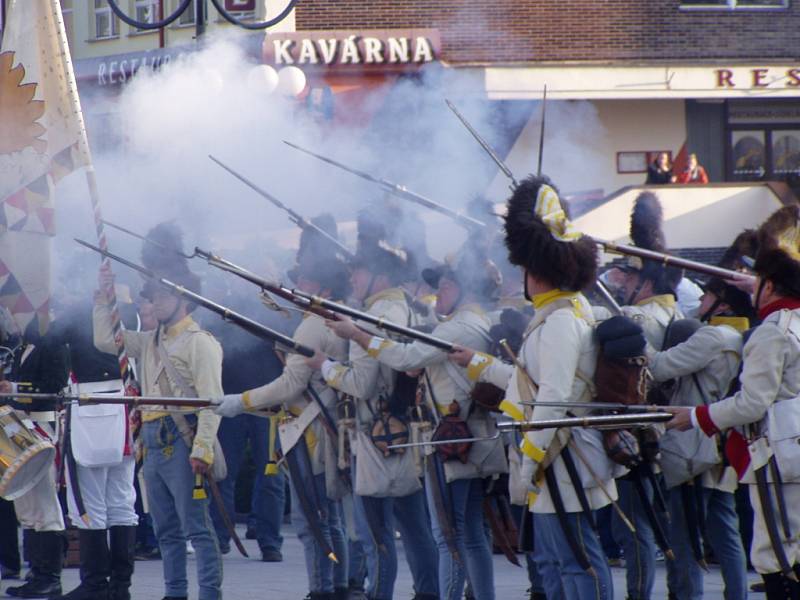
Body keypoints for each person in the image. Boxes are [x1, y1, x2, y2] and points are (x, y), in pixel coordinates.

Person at [451, 177, 617, 599]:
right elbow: (530, 384)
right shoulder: (561, 312)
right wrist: (481, 365)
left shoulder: (561, 319)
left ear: (536, 271)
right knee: (559, 564)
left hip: (561, 457)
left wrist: (528, 463)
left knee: (578, 562)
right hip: (556, 455)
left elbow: (553, 399)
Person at [326, 247, 506, 600]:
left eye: (445, 287)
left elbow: (404, 357)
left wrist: (358, 336)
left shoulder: (458, 327)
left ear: (459, 288)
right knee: (470, 533)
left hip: (453, 442)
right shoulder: (477, 322)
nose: (439, 295)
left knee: (449, 536)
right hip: (473, 438)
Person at [668, 204, 800, 598]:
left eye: (759, 280)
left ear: (771, 286)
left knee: (777, 555)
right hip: (790, 450)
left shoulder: (772, 332)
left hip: (777, 454)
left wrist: (696, 416)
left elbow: (751, 404)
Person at [306, 239, 440, 600]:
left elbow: (361, 383)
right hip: (413, 432)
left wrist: (325, 366)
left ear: (379, 277)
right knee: (416, 529)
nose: (352, 279)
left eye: (358, 272)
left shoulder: (369, 319)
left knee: (375, 535)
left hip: (376, 438)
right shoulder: (418, 310)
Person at [214, 253, 351, 600]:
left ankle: (322, 590)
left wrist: (241, 401)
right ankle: (339, 586)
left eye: (304, 281)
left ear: (322, 287)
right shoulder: (333, 317)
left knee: (313, 521)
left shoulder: (312, 324)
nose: (299, 286)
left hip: (311, 428)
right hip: (326, 424)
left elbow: (290, 384)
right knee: (330, 518)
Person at [94, 233, 223, 600]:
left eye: (162, 296)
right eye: (154, 296)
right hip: (153, 439)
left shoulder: (200, 342)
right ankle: (174, 593)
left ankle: (210, 594)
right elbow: (106, 340)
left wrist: (203, 448)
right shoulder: (151, 340)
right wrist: (103, 299)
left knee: (197, 528)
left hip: (181, 438)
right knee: (166, 530)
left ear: (181, 297)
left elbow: (211, 402)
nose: (155, 302)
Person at [50, 294, 140, 600]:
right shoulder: (128, 308)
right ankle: (120, 587)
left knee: (89, 505)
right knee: (121, 502)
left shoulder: (80, 312)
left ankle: (96, 586)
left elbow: (46, 337)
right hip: (124, 408)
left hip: (91, 411)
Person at [0, 313, 70, 598]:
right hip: (23, 424)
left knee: (44, 505)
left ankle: (49, 576)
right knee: (26, 505)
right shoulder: (24, 348)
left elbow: (54, 386)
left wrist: (13, 388)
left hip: (41, 426)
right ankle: (37, 573)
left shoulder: (52, 345)